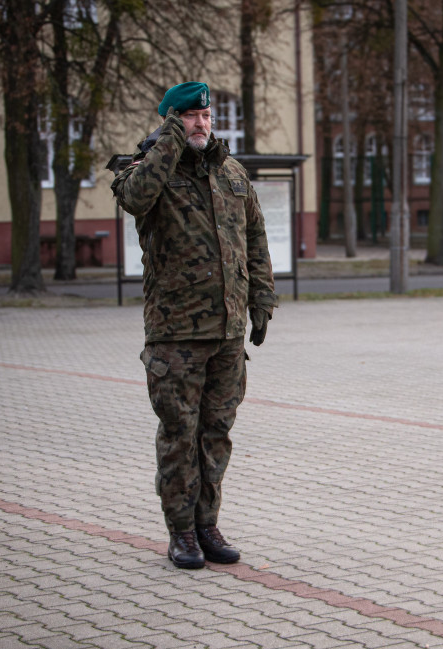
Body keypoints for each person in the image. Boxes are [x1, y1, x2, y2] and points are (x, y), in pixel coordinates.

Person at [111, 81, 278, 569]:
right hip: (176, 334)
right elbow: (136, 200)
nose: (201, 124)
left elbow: (255, 239)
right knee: (179, 433)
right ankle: (180, 532)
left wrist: (263, 300)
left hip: (227, 331)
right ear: (170, 122)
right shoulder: (144, 172)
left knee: (216, 432)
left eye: (206, 116)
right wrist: (169, 142)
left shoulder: (231, 173)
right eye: (189, 117)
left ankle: (208, 524)